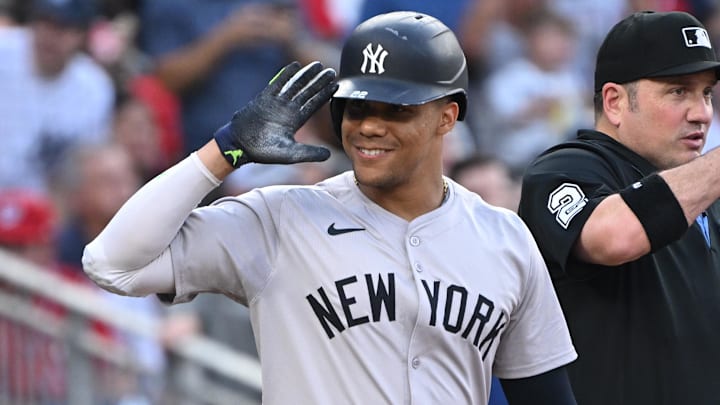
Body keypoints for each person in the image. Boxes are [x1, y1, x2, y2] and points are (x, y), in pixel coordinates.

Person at [83, 11, 578, 404]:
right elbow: (114, 265)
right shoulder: (282, 217)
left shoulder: (504, 238)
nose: (368, 126)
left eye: (396, 109)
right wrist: (225, 150)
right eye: (356, 106)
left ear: (448, 116)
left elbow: (544, 393)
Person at [517, 10, 720, 405]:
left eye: (706, 93)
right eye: (679, 91)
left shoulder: (705, 191)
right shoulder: (565, 168)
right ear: (614, 102)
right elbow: (612, 237)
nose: (702, 113)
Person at [0, 0, 114, 192]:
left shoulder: (94, 87)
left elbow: (86, 163)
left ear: (81, 35)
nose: (49, 36)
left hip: (41, 208)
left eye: (62, 27)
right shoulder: (4, 51)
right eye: (45, 22)